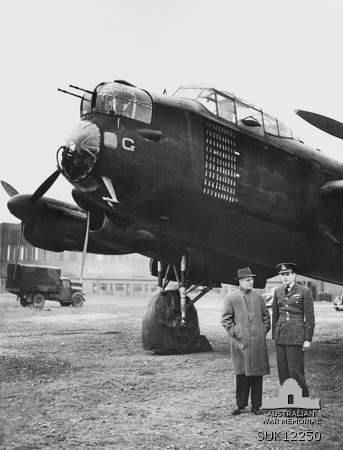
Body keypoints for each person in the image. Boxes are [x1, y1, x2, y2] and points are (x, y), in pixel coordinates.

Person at [221, 267, 270, 415]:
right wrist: (237, 332)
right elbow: (225, 319)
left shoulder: (258, 297)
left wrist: (262, 331)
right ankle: (240, 405)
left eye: (252, 279)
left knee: (257, 375)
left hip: (257, 344)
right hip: (240, 343)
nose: (251, 282)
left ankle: (256, 406)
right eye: (248, 280)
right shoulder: (231, 297)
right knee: (242, 375)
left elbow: (266, 317)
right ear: (241, 282)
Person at [272, 263, 315, 397]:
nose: (284, 277)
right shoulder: (277, 291)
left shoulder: (304, 291)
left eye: (287, 274)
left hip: (296, 336)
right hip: (281, 336)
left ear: (293, 275)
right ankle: (289, 401)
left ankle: (303, 403)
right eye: (282, 275)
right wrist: (274, 335)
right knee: (283, 372)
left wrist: (307, 339)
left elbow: (309, 317)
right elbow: (275, 314)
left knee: (295, 372)